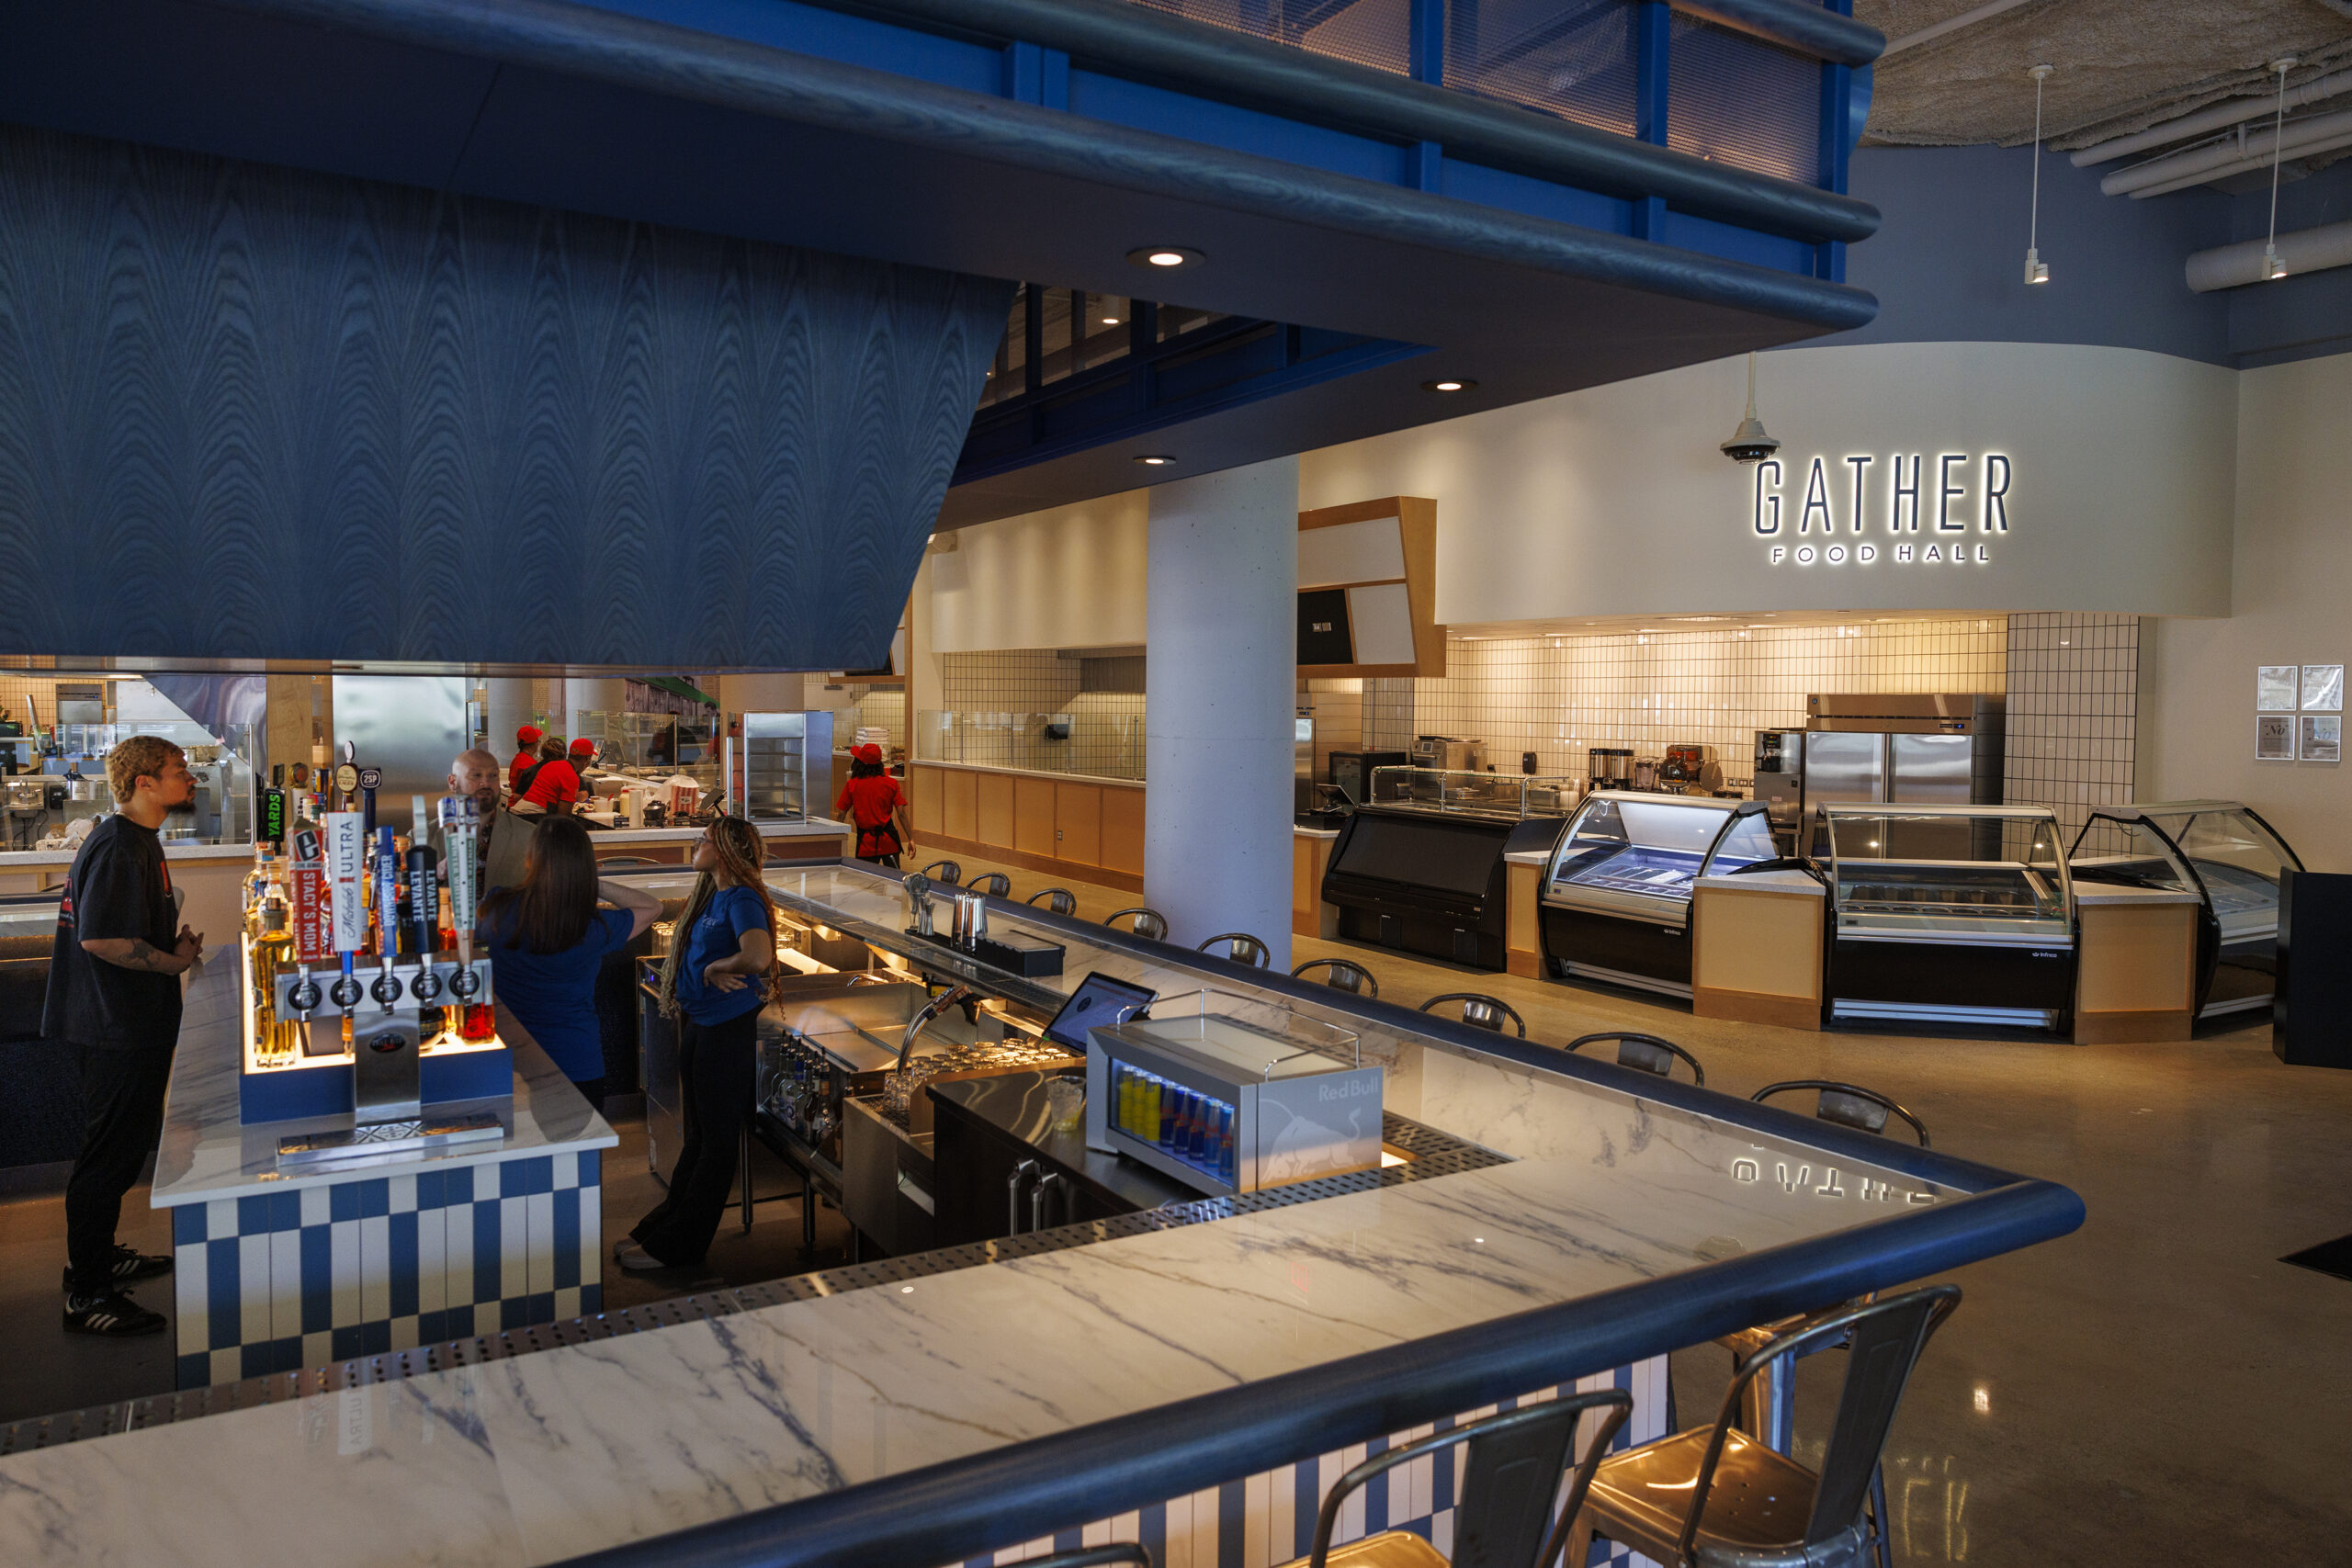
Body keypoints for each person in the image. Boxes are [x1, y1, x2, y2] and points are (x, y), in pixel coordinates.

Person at [44, 735, 204, 1337]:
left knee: (122, 1150)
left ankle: (99, 1255)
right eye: (177, 769)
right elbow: (102, 939)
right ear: (143, 781)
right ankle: (86, 1294)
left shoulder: (139, 840)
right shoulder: (116, 845)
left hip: (131, 1025)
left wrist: (172, 947)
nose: (188, 778)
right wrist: (172, 964)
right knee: (106, 1158)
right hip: (113, 1027)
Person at [619, 815, 779, 1271]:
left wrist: (715, 969)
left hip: (726, 1029)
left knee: (716, 1145)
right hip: (702, 1024)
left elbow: (759, 956)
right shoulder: (715, 895)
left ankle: (680, 1247)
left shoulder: (744, 897)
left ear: (725, 852)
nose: (697, 843)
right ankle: (664, 1228)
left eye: (704, 839)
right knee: (698, 1138)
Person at [475, 816, 659, 1110]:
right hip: (576, 1061)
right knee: (576, 1154)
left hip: (510, 1059)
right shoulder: (593, 926)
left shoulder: (498, 907)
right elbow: (652, 907)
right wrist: (590, 882)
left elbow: (459, 932)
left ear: (529, 860)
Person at [431, 749, 533, 898]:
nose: (486, 783)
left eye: (493, 776)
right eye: (476, 775)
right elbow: (404, 894)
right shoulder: (425, 837)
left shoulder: (529, 836)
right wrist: (437, 872)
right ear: (453, 782)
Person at [832, 743, 912, 867]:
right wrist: (911, 839)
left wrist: (836, 837)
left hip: (866, 843)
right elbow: (901, 813)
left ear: (860, 763)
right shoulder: (891, 783)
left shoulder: (852, 785)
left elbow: (841, 814)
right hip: (889, 841)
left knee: (866, 882)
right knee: (894, 882)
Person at [510, 735, 581, 817]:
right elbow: (562, 815)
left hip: (517, 810)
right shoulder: (567, 773)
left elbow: (517, 795)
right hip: (531, 815)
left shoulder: (531, 765)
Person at [508, 725, 544, 795]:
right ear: (534, 743)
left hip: (514, 802)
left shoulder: (517, 759)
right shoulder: (530, 764)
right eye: (538, 741)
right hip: (522, 803)